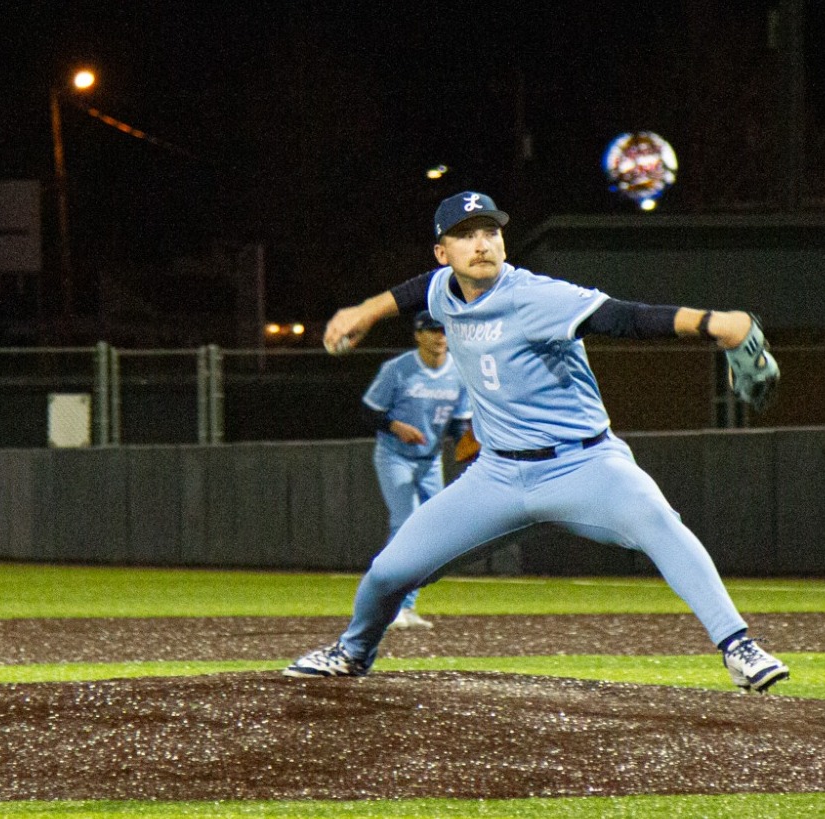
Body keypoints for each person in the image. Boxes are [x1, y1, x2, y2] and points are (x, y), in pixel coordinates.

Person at [286, 191, 788, 693]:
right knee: (387, 572)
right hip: (497, 477)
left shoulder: (536, 296)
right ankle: (353, 653)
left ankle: (737, 646)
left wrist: (713, 324)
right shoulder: (444, 290)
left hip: (586, 467)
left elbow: (623, 317)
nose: (481, 244)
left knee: (658, 522)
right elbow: (419, 291)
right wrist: (368, 311)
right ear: (443, 253)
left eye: (490, 232)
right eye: (465, 235)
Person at [359, 309, 472, 629]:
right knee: (404, 522)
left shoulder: (458, 372)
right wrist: (396, 426)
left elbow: (459, 424)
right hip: (395, 456)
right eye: (433, 331)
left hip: (430, 460)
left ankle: (406, 606)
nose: (440, 337)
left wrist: (469, 442)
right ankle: (385, 603)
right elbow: (369, 413)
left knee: (432, 530)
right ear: (418, 335)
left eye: (444, 331)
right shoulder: (398, 370)